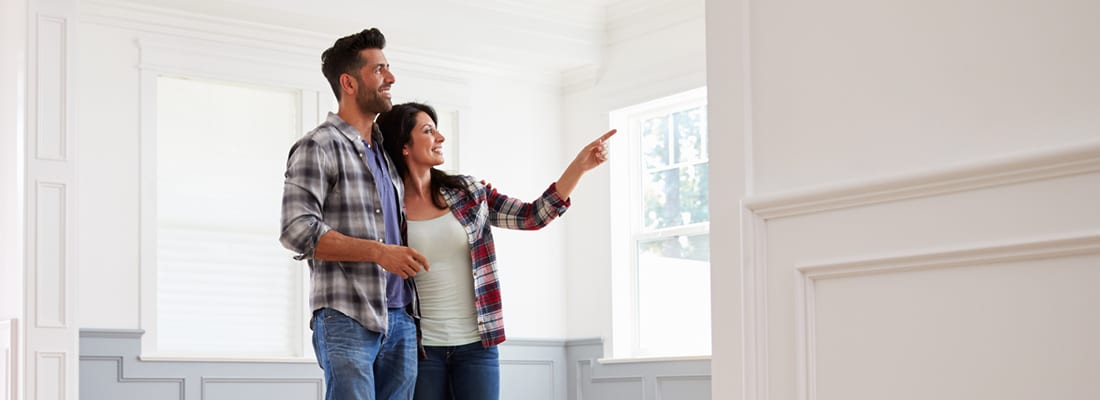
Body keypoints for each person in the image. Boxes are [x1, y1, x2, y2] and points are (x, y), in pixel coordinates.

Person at [376, 102, 616, 400]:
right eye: (428, 131)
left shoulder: (468, 192)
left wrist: (578, 167)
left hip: (478, 345)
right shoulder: (386, 207)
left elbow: (532, 216)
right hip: (421, 349)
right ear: (404, 146)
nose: (440, 138)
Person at [280, 28, 429, 400]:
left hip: (400, 317)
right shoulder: (318, 146)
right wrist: (379, 252)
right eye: (379, 70)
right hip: (346, 314)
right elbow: (296, 230)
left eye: (388, 69)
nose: (391, 78)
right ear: (348, 82)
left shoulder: (385, 153)